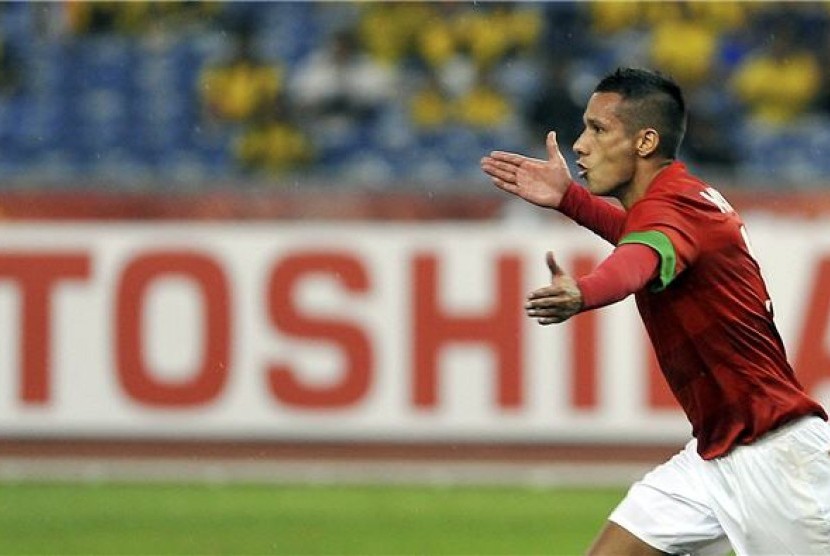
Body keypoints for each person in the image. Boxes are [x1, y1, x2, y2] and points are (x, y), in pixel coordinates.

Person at [481, 67, 830, 555]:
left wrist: (586, 291)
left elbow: (637, 261)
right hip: (715, 455)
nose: (581, 145)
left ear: (645, 141)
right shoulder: (680, 199)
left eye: (599, 129)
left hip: (777, 461)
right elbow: (642, 239)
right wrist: (570, 200)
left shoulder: (671, 212)